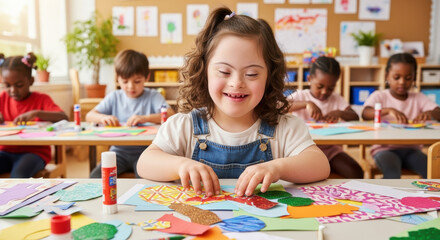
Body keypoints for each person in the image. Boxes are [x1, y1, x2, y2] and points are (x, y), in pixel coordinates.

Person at [137, 8, 330, 197]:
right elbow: (145, 162)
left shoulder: (285, 127)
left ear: (269, 77)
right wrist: (181, 165)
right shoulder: (184, 126)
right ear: (204, 71)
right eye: (224, 72)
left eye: (252, 74)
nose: (237, 83)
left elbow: (319, 164)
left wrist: (277, 167)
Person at [86, 49, 174, 178]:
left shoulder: (153, 96)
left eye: (137, 81)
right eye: (125, 81)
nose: (131, 87)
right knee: (95, 177)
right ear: (118, 78)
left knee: (148, 182)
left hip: (146, 153)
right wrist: (103, 117)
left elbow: (171, 114)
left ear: (147, 77)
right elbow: (89, 115)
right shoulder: (115, 96)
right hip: (118, 153)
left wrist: (145, 118)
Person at [362, 53, 440, 179]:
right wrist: (388, 110)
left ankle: (424, 197)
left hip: (412, 150)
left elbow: (438, 112)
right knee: (392, 174)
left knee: (433, 171)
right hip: (384, 149)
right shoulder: (380, 96)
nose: (402, 82)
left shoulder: (418, 98)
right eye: (397, 77)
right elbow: (365, 113)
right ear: (387, 76)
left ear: (415, 77)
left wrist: (430, 113)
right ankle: (386, 198)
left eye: (408, 78)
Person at [287, 56, 364, 179]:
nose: (324, 92)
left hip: (330, 150)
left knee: (356, 172)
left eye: (330, 88)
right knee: (306, 177)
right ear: (309, 79)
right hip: (303, 150)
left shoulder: (336, 99)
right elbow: (279, 106)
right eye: (319, 86)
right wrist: (306, 104)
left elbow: (354, 116)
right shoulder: (301, 96)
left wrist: (340, 113)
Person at [0, 52, 68, 178]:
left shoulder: (41, 99)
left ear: (30, 81)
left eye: (19, 85)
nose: (13, 90)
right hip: (5, 151)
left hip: (34, 153)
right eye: (7, 86)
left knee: (19, 175)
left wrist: (36, 113)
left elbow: (64, 117)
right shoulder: (2, 98)